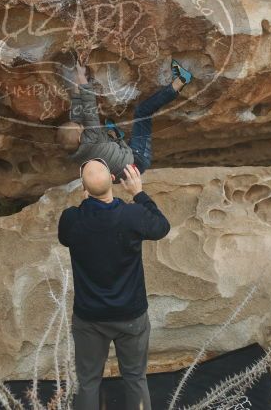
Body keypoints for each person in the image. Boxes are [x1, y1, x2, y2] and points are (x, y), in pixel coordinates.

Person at [58, 160, 171, 410]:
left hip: (89, 318)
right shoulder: (133, 215)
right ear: (112, 178)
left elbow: (66, 236)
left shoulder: (71, 220)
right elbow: (162, 227)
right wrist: (138, 193)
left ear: (82, 187)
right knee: (135, 378)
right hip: (131, 315)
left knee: (88, 382)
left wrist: (87, 198)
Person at [57, 56, 194, 182]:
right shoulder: (91, 139)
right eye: (80, 128)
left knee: (103, 136)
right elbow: (89, 106)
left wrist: (76, 83)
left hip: (120, 171)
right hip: (137, 161)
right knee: (142, 112)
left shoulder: (77, 152)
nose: (81, 126)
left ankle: (115, 135)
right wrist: (82, 78)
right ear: (81, 138)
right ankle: (181, 80)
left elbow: (77, 115)